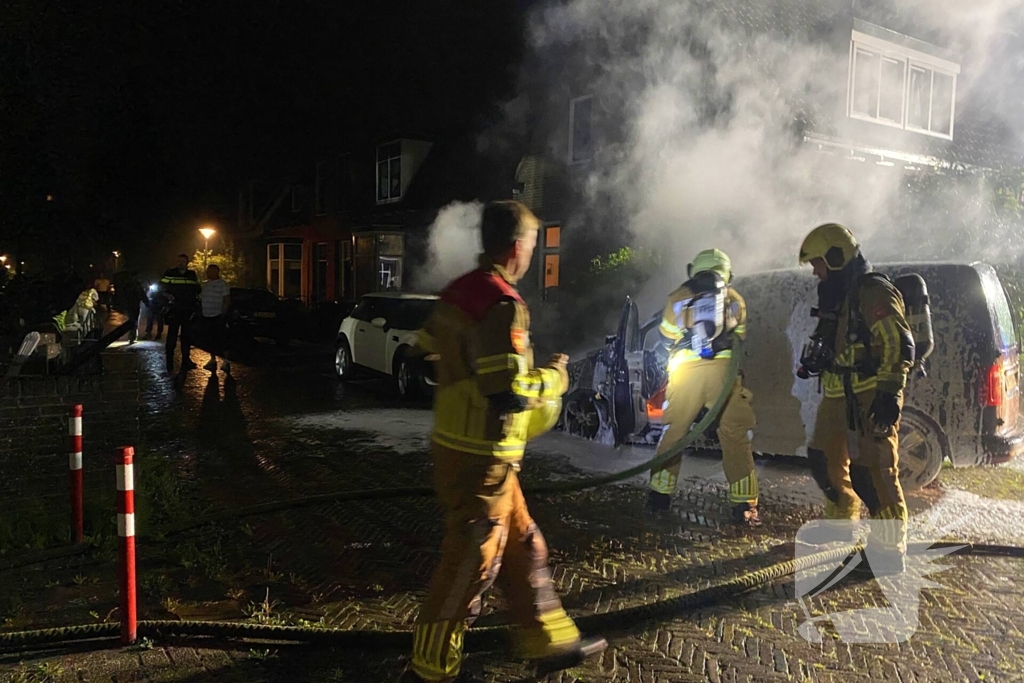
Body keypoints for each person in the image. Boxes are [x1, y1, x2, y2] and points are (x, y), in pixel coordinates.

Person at [401, 201, 606, 683]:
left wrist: (455, 367)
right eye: (533, 247)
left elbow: (416, 355)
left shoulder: (457, 293)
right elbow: (507, 392)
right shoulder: (502, 304)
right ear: (518, 247)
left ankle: (549, 642)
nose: (532, 255)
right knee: (471, 563)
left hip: (464, 450)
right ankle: (428, 669)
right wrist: (554, 379)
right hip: (482, 459)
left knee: (525, 547)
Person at [797, 223, 913, 575]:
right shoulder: (834, 293)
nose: (816, 271)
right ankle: (840, 522)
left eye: (818, 263)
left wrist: (889, 393)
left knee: (873, 473)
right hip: (837, 390)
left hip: (871, 390)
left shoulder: (872, 290)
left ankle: (888, 551)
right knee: (822, 460)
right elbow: (833, 338)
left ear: (836, 256)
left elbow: (898, 341)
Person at [646, 249, 760, 526]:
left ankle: (660, 496)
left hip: (686, 373)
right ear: (727, 274)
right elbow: (740, 338)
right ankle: (744, 505)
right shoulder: (735, 300)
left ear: (693, 271)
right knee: (734, 434)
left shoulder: (678, 297)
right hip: (724, 375)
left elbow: (667, 335)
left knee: (674, 433)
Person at [159, 254, 201, 373]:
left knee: (186, 336)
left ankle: (186, 360)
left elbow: (196, 289)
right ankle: (169, 361)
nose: (181, 263)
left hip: (187, 310)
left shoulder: (191, 274)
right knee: (172, 335)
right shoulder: (170, 273)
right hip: (174, 310)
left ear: (187, 263)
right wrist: (168, 296)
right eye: (179, 261)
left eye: (183, 261)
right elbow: (162, 288)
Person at [199, 264, 231, 374]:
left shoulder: (222, 284)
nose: (208, 273)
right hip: (206, 316)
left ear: (216, 272)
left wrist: (223, 313)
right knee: (210, 339)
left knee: (222, 339)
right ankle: (212, 360)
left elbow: (227, 299)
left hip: (218, 316)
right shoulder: (205, 285)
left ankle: (226, 361)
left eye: (210, 271)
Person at [112, 270, 145, 344]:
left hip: (129, 305)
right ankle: (132, 336)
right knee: (134, 320)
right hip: (135, 305)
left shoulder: (127, 285)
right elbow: (142, 295)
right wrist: (148, 304)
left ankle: (131, 336)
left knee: (131, 319)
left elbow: (122, 295)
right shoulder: (137, 285)